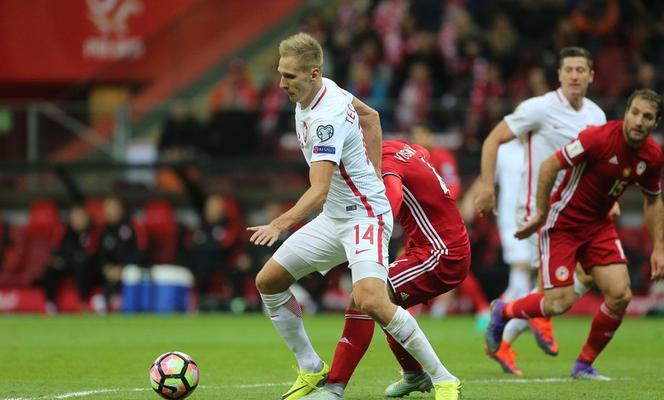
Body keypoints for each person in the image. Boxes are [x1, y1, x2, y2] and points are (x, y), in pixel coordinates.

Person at [248, 33, 460, 400]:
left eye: (290, 76)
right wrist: (374, 171)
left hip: (364, 217)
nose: (282, 83)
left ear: (313, 73)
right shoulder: (327, 88)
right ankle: (311, 367)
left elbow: (318, 191)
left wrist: (279, 224)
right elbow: (371, 116)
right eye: (280, 74)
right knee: (268, 282)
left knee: (372, 300)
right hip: (336, 217)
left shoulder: (325, 118)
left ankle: (443, 379)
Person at [485, 89, 664, 380]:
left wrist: (659, 248)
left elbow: (653, 199)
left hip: (598, 227)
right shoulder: (599, 138)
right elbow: (550, 164)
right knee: (558, 303)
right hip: (563, 223)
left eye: (647, 117)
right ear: (626, 112)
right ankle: (503, 311)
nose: (639, 121)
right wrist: (542, 213)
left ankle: (583, 365)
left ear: (655, 124)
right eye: (635, 113)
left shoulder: (652, 156)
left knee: (620, 295)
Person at [301, 139, 470, 399]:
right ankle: (413, 375)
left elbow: (395, 194)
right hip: (437, 243)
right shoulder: (400, 147)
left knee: (365, 297)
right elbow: (422, 153)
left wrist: (372, 229)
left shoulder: (384, 164)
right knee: (378, 303)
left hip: (440, 252)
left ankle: (334, 388)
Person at [474, 46, 606, 374]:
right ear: (559, 75)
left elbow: (597, 166)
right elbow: (493, 139)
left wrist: (610, 199)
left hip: (577, 213)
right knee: (554, 291)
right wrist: (488, 187)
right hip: (538, 211)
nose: (574, 75)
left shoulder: (597, 116)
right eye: (569, 69)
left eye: (581, 70)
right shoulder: (539, 109)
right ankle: (536, 317)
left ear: (591, 76)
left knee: (587, 275)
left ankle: (508, 330)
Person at [41, 205, 99, 314]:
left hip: (83, 266)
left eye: (81, 216)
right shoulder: (63, 230)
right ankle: (50, 303)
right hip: (66, 264)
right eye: (76, 216)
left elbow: (92, 253)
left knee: (83, 265)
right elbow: (56, 250)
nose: (79, 219)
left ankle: (83, 302)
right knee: (50, 269)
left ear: (87, 218)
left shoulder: (92, 232)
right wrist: (59, 260)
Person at [98, 196, 144, 311]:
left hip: (130, 268)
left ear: (121, 209)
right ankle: (99, 302)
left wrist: (122, 267)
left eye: (113, 207)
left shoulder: (134, 226)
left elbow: (142, 251)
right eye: (107, 208)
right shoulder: (104, 231)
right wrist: (106, 267)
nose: (109, 211)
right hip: (111, 271)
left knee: (131, 273)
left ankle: (125, 304)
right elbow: (100, 254)